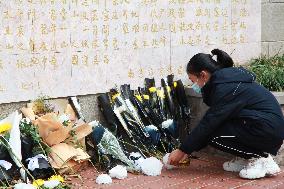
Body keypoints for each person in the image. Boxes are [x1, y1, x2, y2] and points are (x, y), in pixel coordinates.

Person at [168, 49, 284, 179]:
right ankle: (245, 157)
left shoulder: (226, 88)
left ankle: (261, 159)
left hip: (267, 129)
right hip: (259, 125)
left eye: (193, 80)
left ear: (203, 75)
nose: (194, 85)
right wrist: (187, 150)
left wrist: (183, 150)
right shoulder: (225, 82)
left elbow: (210, 123)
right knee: (214, 129)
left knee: (212, 134)